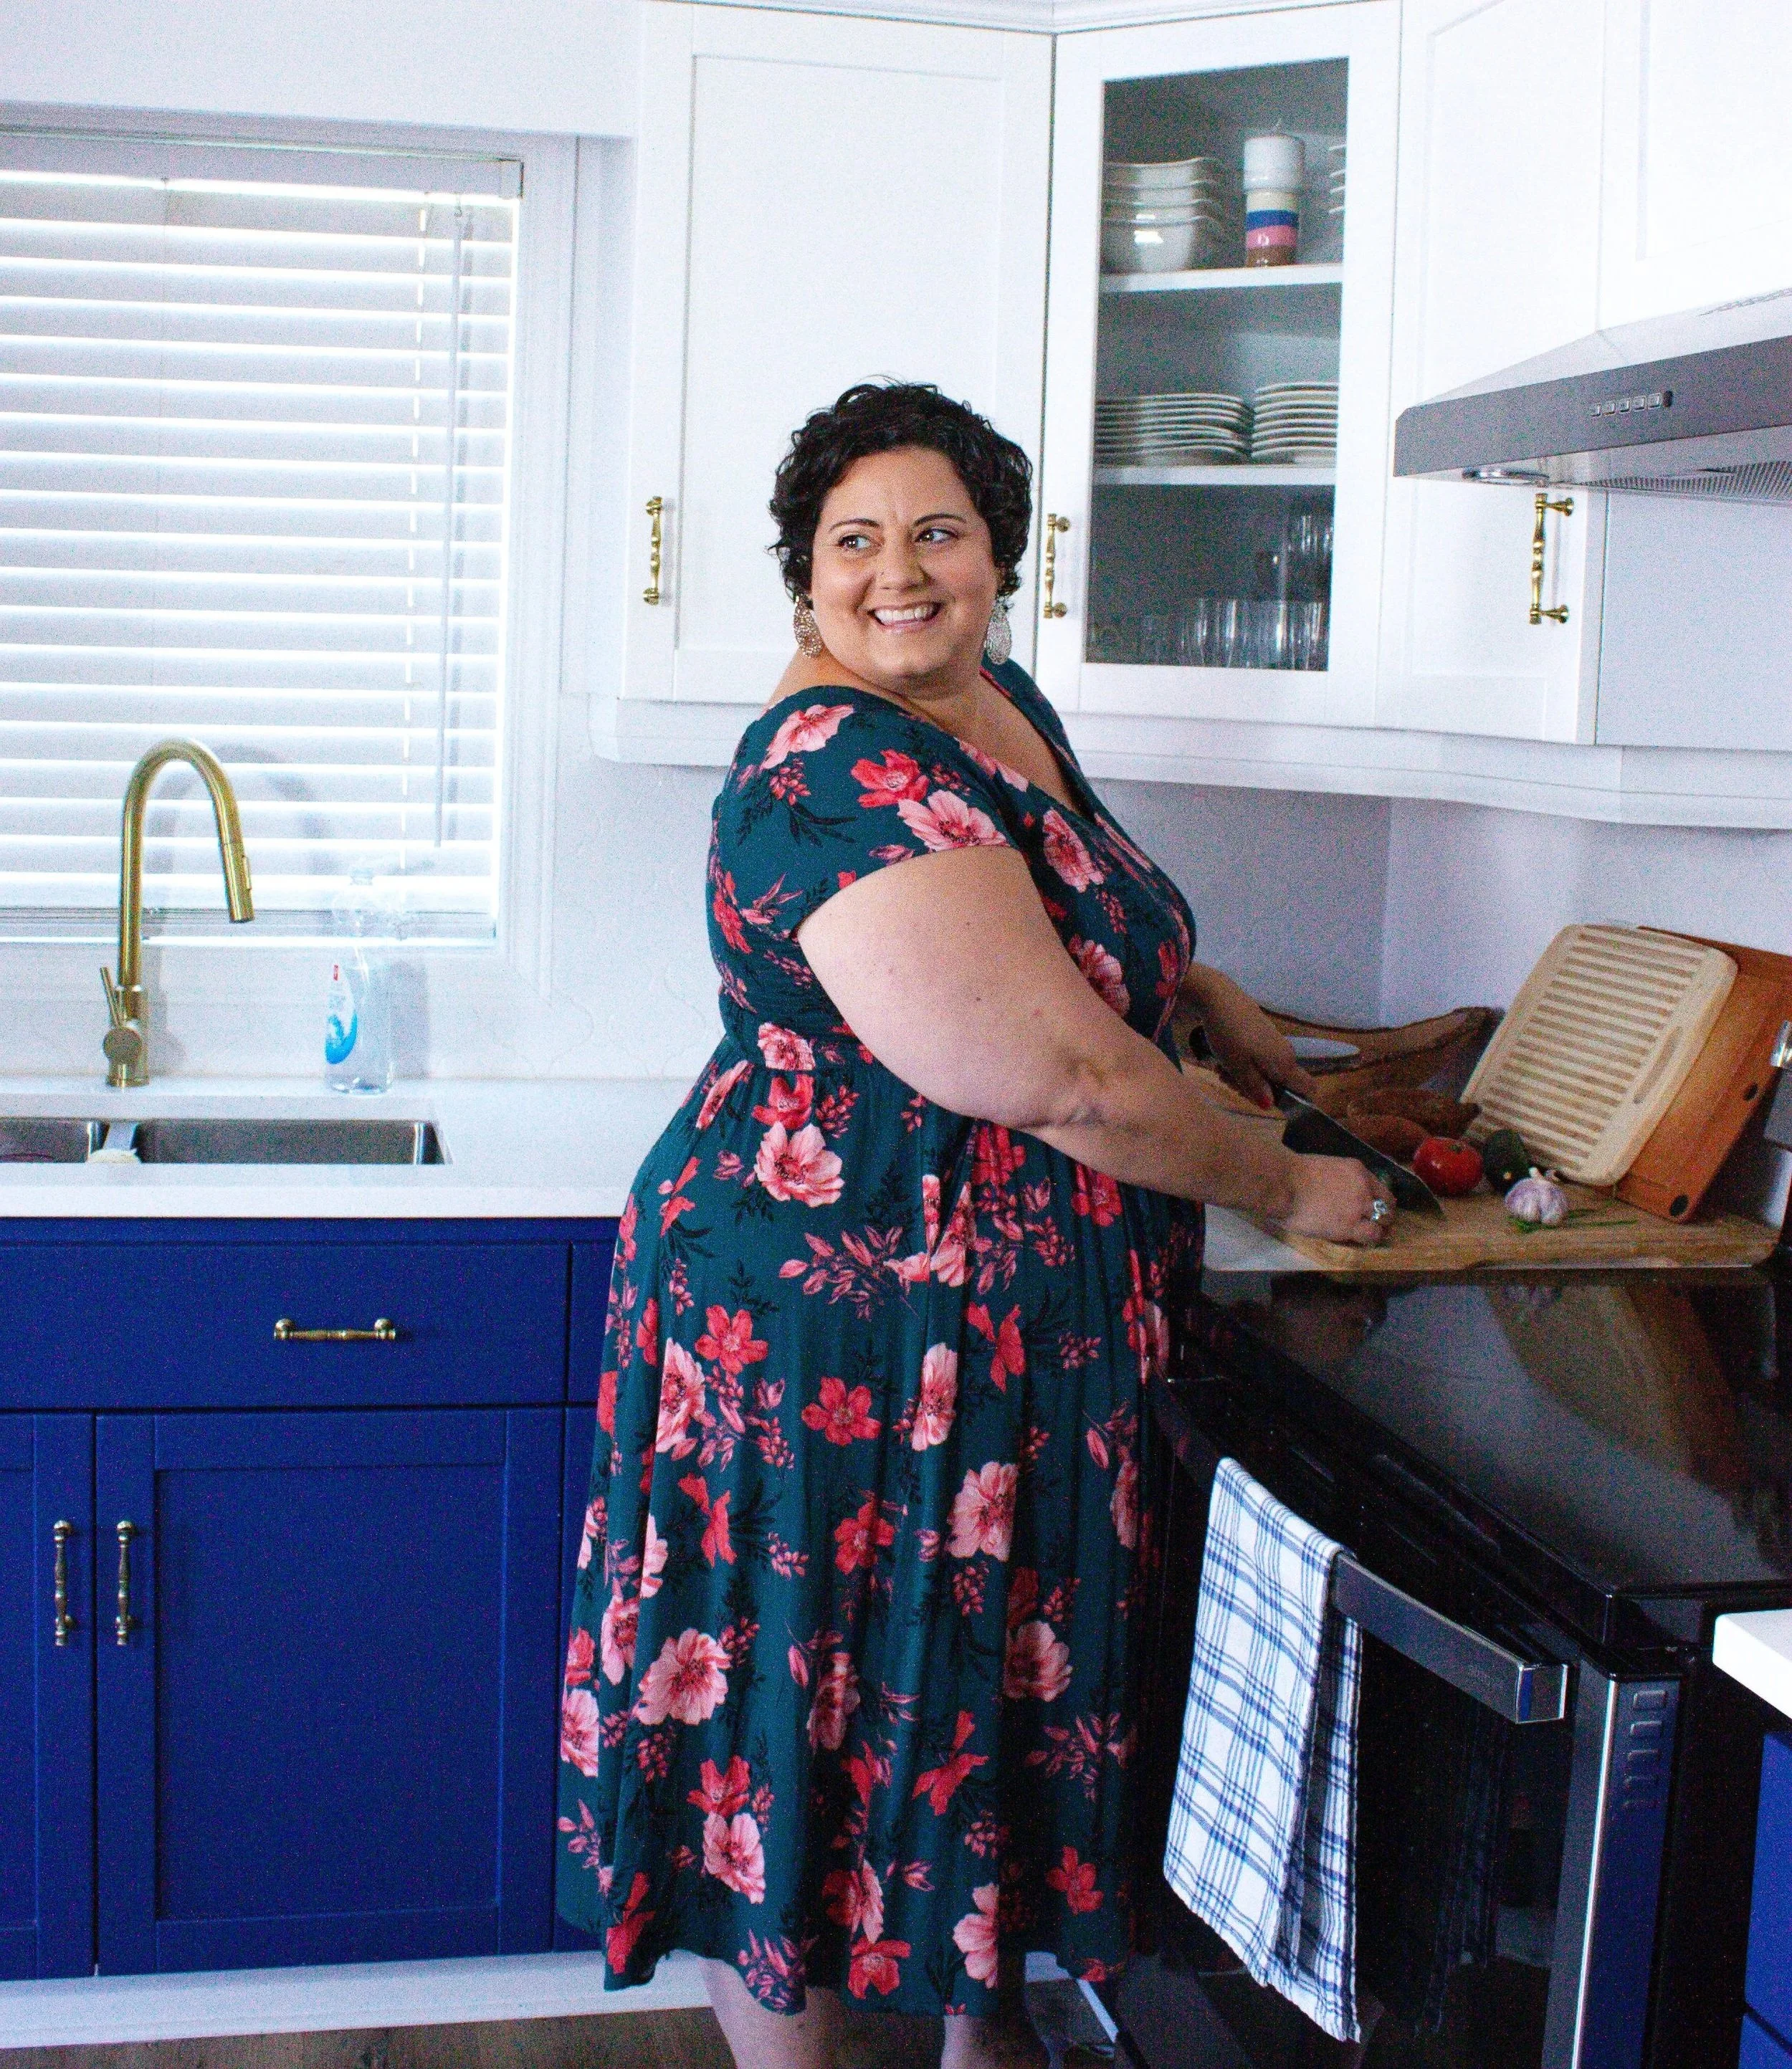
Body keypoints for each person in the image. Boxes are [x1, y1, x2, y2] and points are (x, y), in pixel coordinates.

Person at [556, 381, 1391, 2069]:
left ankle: (984, 2041)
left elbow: (1059, 927)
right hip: (851, 1338)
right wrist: (1288, 1180)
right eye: (850, 542)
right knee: (803, 1724)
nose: (896, 571)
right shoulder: (837, 763)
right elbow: (1059, 1076)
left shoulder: (982, 700)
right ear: (802, 577)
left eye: (936, 531)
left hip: (999, 1335)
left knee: (972, 1707)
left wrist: (1198, 989)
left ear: (1000, 555)